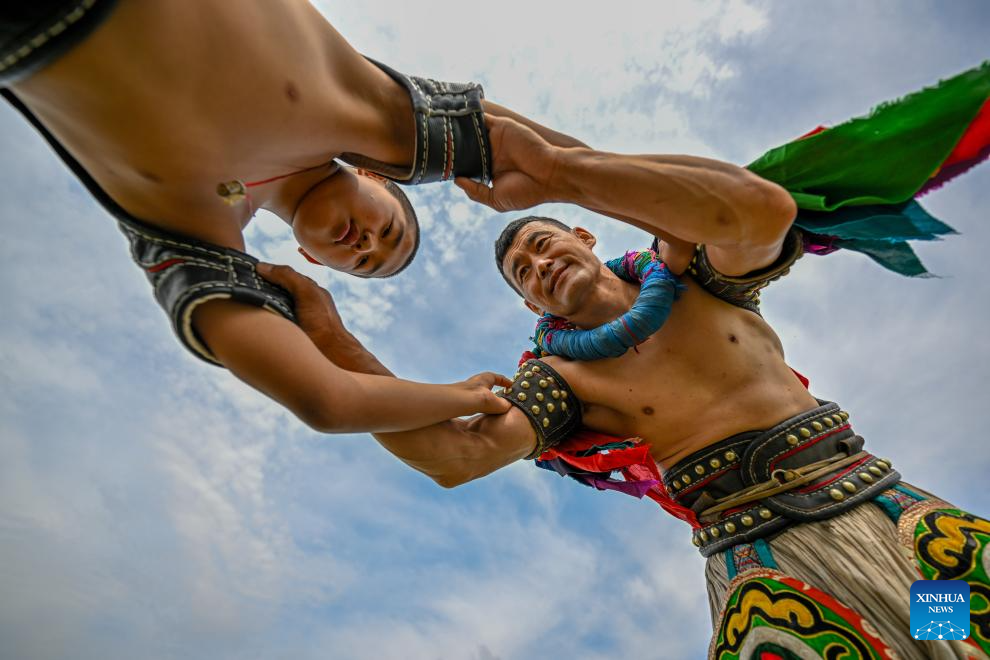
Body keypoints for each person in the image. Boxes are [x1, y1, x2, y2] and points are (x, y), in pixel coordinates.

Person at [273, 111, 990, 658]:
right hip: (770, 559)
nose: (538, 265)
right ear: (530, 305)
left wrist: (556, 169)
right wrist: (327, 332)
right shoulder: (558, 378)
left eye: (542, 244)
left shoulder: (696, 272)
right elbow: (454, 456)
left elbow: (762, 210)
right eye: (523, 274)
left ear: (584, 238)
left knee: (962, 640)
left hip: (888, 516)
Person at [0, 0, 581, 433]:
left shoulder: (195, 235)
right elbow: (553, 159)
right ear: (377, 176)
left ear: (310, 258)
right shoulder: (354, 105)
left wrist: (466, 398)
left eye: (364, 263)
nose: (367, 244)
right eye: (387, 230)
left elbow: (328, 401)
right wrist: (585, 185)